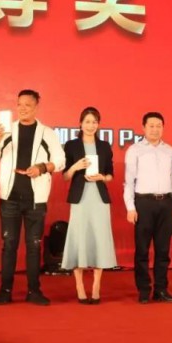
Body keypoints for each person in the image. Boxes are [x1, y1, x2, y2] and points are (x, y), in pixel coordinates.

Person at [0, 89, 65, 306]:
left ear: (36, 107)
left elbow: (60, 161)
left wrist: (41, 168)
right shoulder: (7, 131)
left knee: (34, 246)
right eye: (19, 104)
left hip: (35, 200)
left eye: (27, 105)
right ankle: (5, 291)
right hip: (9, 198)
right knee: (9, 245)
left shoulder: (47, 133)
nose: (22, 109)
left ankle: (34, 291)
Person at [124, 112, 172, 304]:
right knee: (142, 250)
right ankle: (143, 290)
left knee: (163, 250)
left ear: (163, 128)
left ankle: (161, 289)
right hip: (144, 203)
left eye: (159, 126)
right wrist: (130, 207)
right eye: (151, 126)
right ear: (143, 127)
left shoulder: (169, 150)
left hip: (166, 203)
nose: (155, 129)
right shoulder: (135, 150)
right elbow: (129, 181)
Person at [61, 107, 117, 304]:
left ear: (98, 125)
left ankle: (96, 286)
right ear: (80, 124)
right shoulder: (71, 145)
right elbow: (65, 176)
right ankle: (79, 286)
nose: (91, 126)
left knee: (99, 240)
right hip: (80, 199)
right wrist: (76, 167)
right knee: (80, 240)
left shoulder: (104, 146)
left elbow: (110, 174)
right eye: (87, 122)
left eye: (94, 122)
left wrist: (102, 177)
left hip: (99, 199)